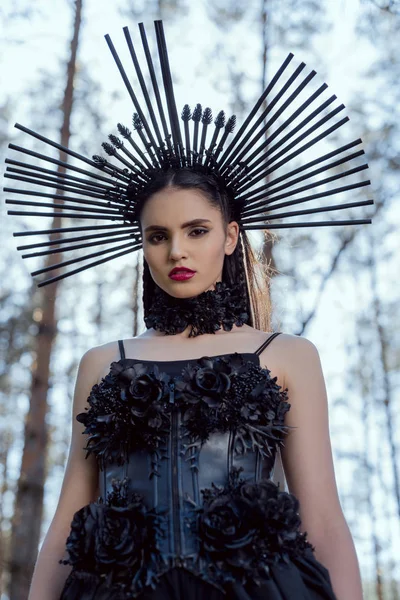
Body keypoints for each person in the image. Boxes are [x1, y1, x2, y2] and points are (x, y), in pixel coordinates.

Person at [6, 21, 372, 600]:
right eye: (157, 235)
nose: (176, 250)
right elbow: (66, 525)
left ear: (229, 238)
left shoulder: (289, 357)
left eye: (196, 230)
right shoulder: (102, 363)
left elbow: (323, 519)